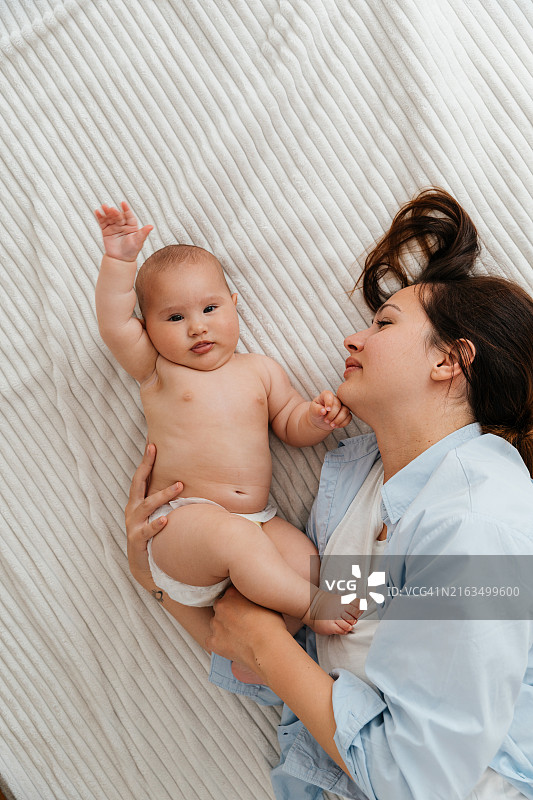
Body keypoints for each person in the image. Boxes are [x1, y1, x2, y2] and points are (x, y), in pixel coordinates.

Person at [125, 188, 533, 799]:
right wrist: (157, 575)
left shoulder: (480, 524)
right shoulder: (361, 487)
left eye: (384, 323)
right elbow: (275, 652)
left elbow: (416, 781)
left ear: (450, 360)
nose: (352, 340)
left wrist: (261, 640)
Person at [94, 201, 358, 637]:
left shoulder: (261, 370)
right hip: (183, 524)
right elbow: (114, 324)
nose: (197, 327)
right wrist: (119, 261)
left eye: (210, 309)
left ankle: (261, 650)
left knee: (307, 562)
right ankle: (313, 608)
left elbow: (291, 425)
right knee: (241, 544)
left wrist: (316, 418)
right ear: (148, 328)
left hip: (259, 519)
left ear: (234, 305)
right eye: (175, 317)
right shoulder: (159, 371)